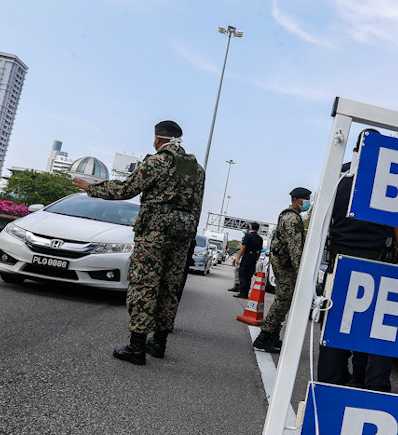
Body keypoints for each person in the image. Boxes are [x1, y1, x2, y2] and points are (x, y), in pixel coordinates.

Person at [72, 120, 205, 365]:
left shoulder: (157, 161)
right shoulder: (197, 169)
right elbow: (196, 208)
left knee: (144, 286)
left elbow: (125, 189)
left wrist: (92, 188)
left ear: (157, 139)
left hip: (154, 234)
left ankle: (136, 347)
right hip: (181, 236)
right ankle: (159, 343)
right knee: (169, 288)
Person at [317, 133, 398, 392]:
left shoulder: (339, 177)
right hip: (376, 268)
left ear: (355, 149)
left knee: (337, 327)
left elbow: (322, 222)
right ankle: (373, 388)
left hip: (339, 265)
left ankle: (329, 385)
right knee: (375, 332)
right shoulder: (390, 180)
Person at [253, 187, 310, 354]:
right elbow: (295, 248)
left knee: (283, 300)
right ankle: (264, 337)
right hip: (285, 265)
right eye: (306, 199)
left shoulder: (290, 215)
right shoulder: (292, 219)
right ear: (297, 199)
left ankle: (273, 336)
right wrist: (302, 271)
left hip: (282, 263)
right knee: (282, 300)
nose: (307, 203)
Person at [230, 223, 263, 298]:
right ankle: (246, 293)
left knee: (243, 275)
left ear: (251, 228)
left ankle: (242, 292)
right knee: (249, 276)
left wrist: (238, 257)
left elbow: (243, 247)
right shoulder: (260, 238)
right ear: (258, 229)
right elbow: (260, 250)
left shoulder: (248, 236)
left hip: (247, 256)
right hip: (254, 258)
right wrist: (256, 258)